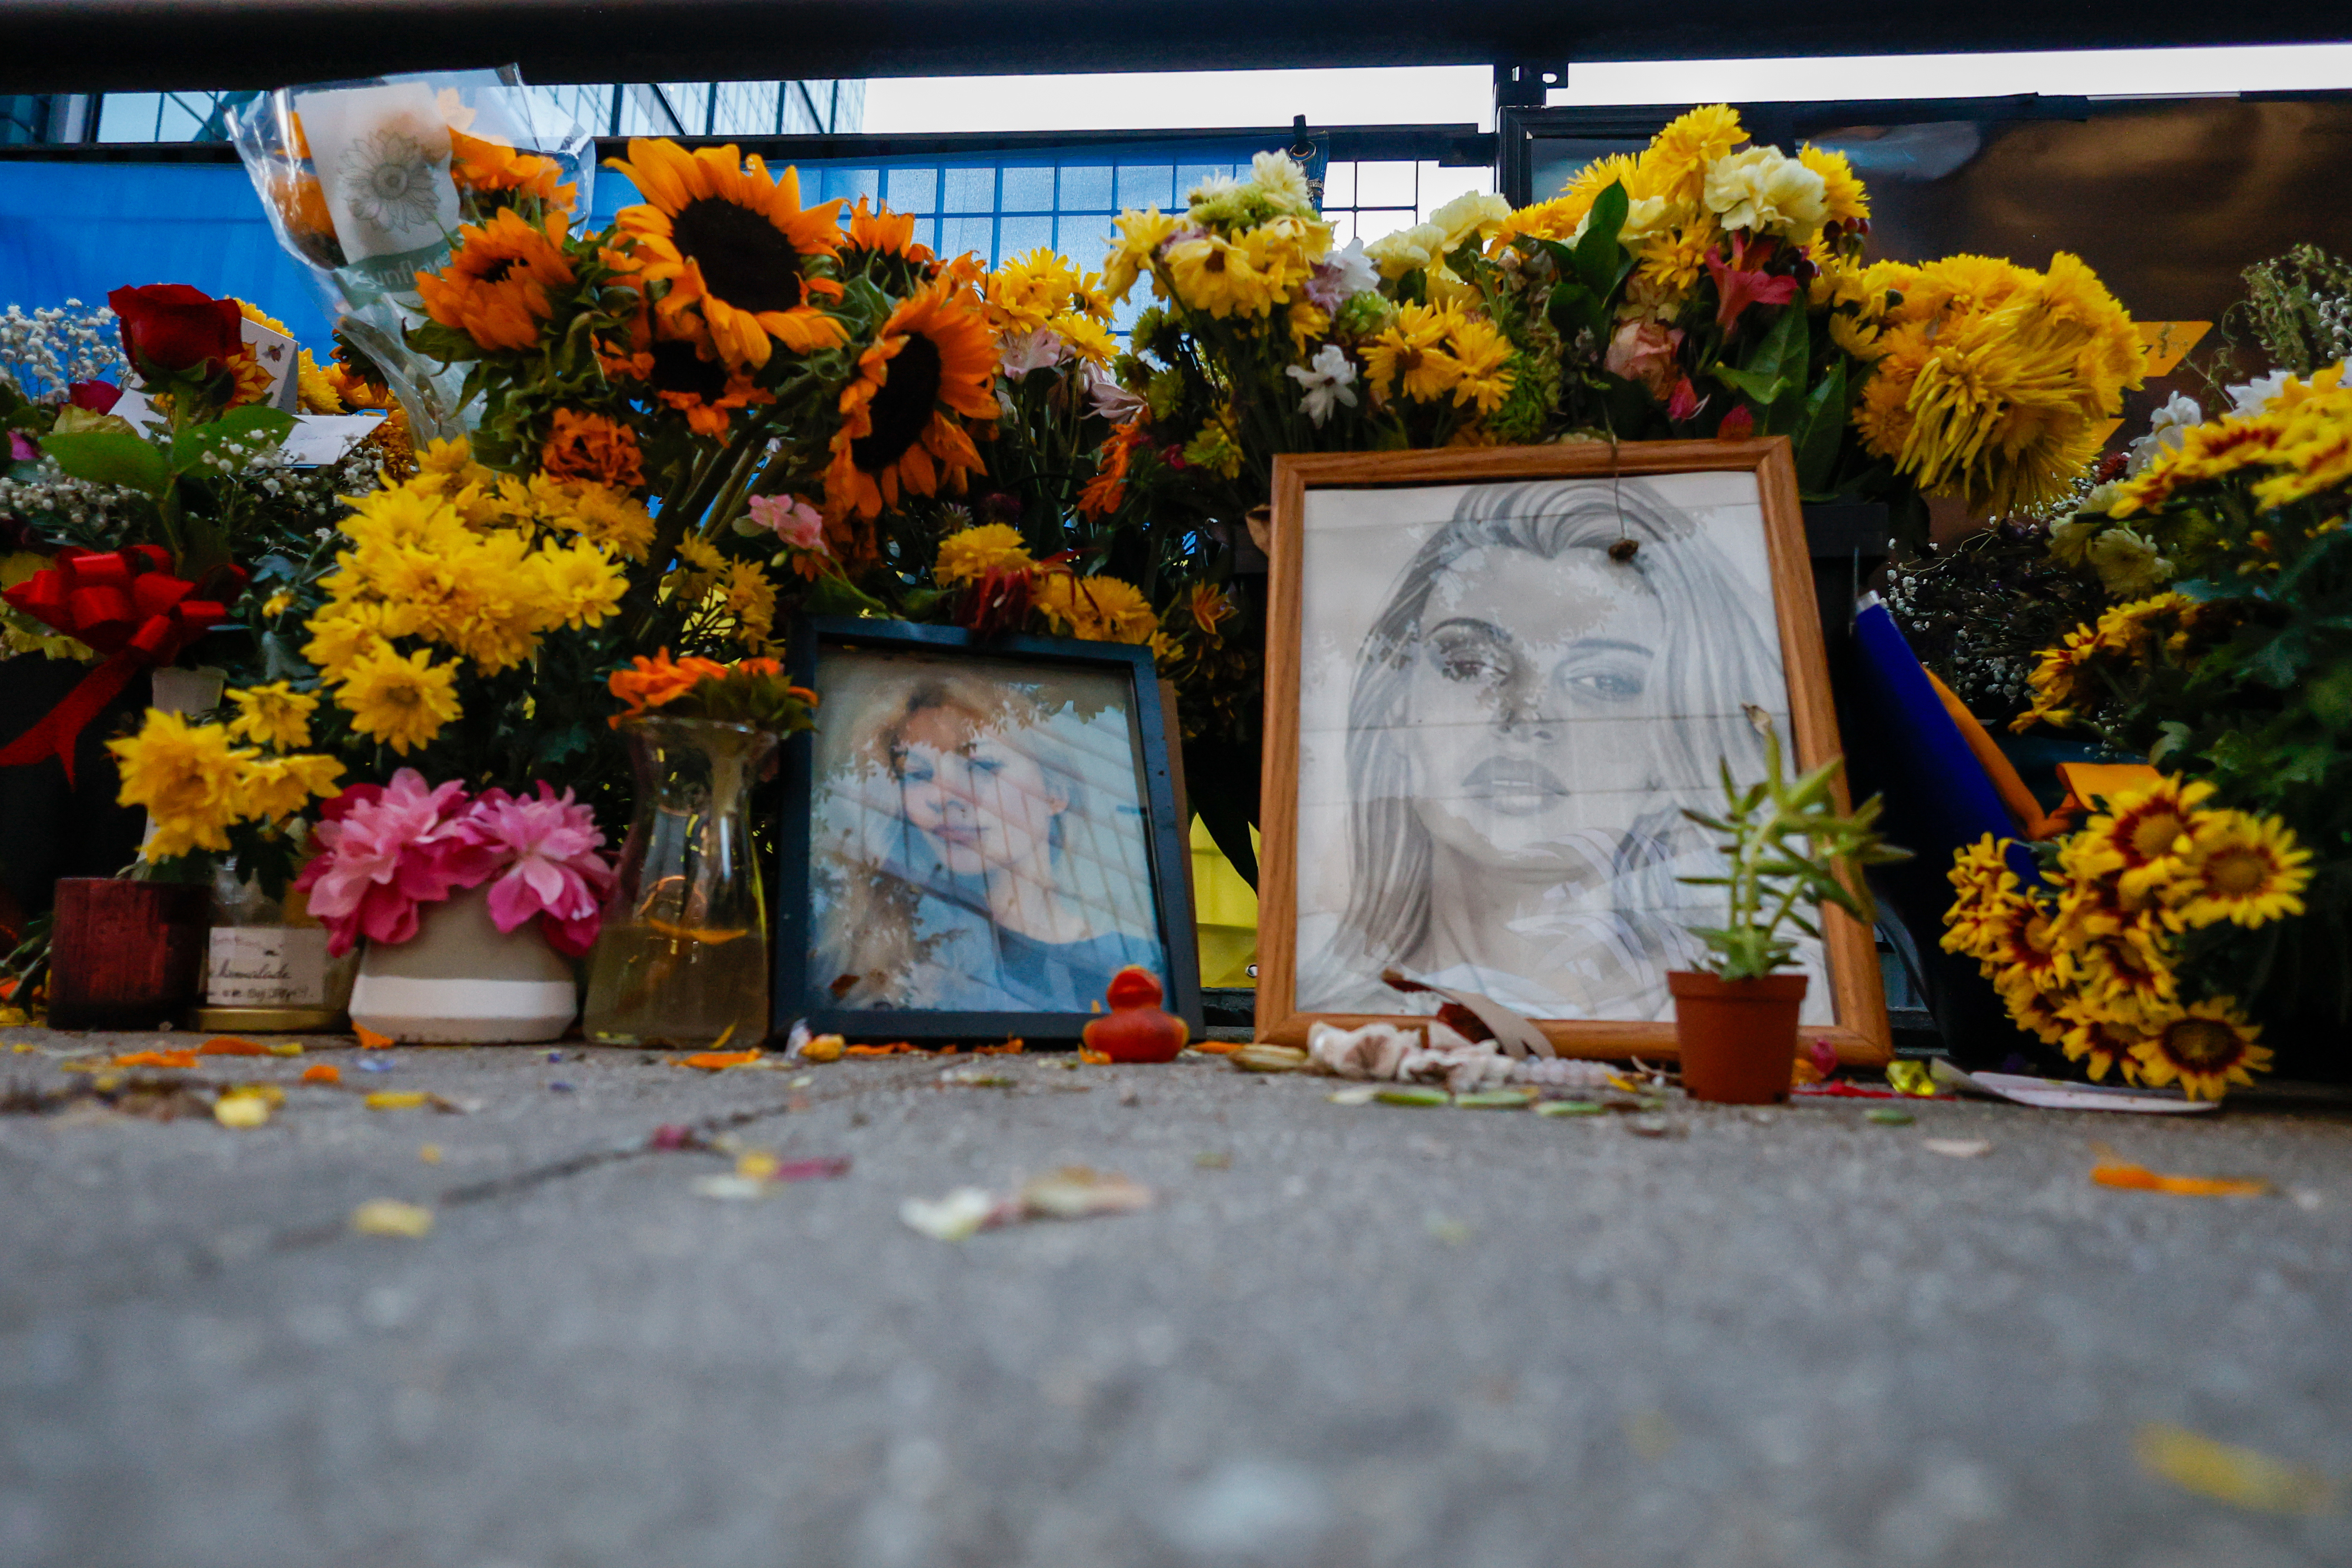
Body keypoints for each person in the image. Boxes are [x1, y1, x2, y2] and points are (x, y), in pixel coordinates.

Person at [1300, 476, 1825, 1021]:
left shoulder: (1758, 1016)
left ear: (1669, 750)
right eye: (1469, 663)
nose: (1525, 715)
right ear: (1395, 716)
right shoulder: (1324, 1007)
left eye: (1604, 682)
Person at [812, 671, 1165, 1012]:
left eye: (981, 767)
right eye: (916, 774)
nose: (943, 795)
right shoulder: (860, 945)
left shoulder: (1138, 969)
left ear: (1055, 791)